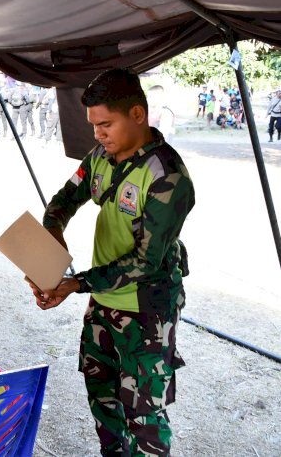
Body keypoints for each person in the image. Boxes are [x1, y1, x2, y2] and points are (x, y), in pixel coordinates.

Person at [27, 69, 195, 456]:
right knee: (102, 395)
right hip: (103, 302)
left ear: (138, 114)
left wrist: (75, 283)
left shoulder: (167, 176)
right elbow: (63, 200)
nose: (98, 135)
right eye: (94, 126)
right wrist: (50, 242)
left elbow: (144, 262)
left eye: (106, 124)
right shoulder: (101, 156)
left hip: (145, 310)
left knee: (144, 418)